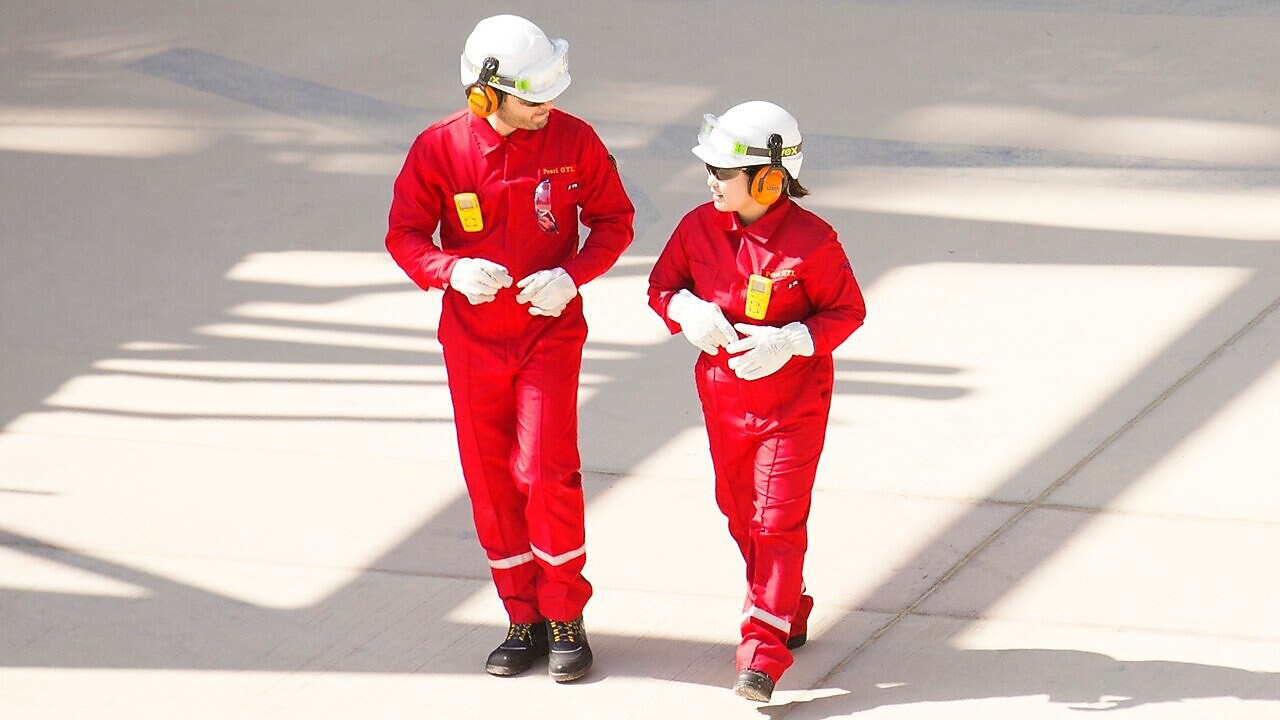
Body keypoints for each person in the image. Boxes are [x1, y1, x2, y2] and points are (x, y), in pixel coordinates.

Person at [386, 14, 634, 683]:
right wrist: (450, 271)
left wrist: (571, 275)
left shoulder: (574, 140)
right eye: (534, 99)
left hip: (548, 333)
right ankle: (520, 617)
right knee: (491, 479)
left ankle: (565, 617)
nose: (548, 108)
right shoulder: (438, 149)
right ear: (484, 95)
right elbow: (405, 234)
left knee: (546, 470)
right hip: (471, 342)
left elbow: (615, 220)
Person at [647, 101, 866, 702]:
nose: (711, 181)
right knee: (740, 512)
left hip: (792, 406)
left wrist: (795, 340)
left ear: (769, 179)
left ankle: (761, 653)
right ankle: (786, 606)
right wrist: (684, 311)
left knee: (774, 521)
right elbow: (662, 286)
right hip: (723, 400)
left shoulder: (813, 242)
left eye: (722, 171)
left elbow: (848, 310)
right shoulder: (697, 228)